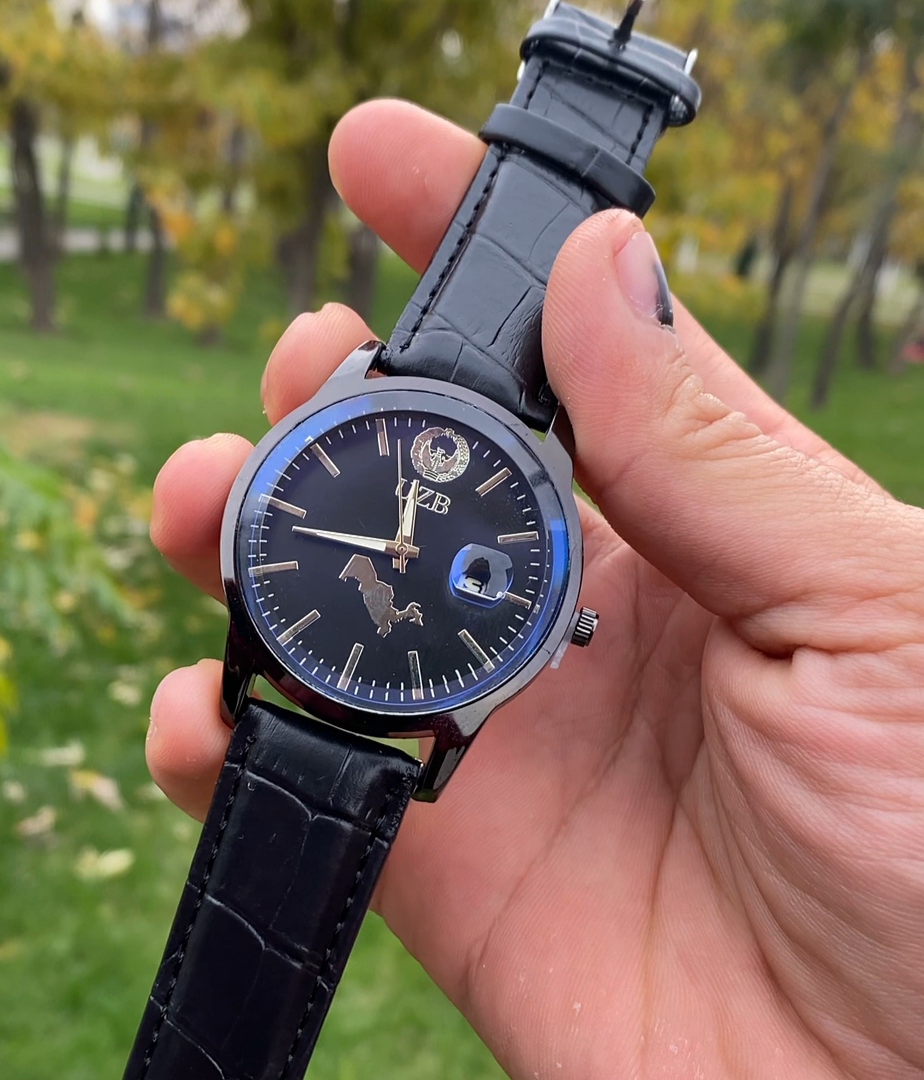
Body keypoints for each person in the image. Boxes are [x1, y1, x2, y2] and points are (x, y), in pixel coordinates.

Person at [144, 101, 924, 1079]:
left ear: (560, 622)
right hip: (314, 659)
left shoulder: (514, 481)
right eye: (394, 544)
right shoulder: (382, 409)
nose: (402, 552)